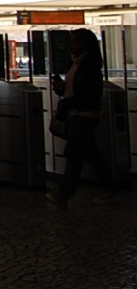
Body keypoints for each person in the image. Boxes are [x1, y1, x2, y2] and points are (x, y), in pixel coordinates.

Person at [45, 28, 121, 208]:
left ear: (86, 44)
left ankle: (64, 193)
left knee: (75, 153)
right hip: (76, 113)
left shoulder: (91, 67)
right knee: (92, 153)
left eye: (76, 41)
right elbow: (73, 90)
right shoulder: (74, 64)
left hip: (85, 115)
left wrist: (68, 102)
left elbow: (92, 95)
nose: (72, 45)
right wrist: (61, 89)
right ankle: (111, 187)